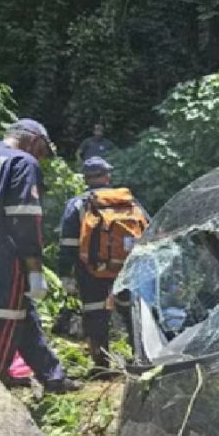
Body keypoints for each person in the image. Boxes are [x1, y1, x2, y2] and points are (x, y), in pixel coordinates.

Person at [0, 118, 81, 393]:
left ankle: (53, 377)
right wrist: (34, 267)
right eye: (43, 152)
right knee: (2, 324)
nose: (41, 158)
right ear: (34, 141)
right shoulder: (21, 162)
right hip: (2, 257)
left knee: (13, 315)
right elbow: (24, 218)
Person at [58, 156, 148, 367]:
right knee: (131, 312)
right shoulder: (128, 201)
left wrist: (65, 274)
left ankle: (101, 364)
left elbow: (68, 243)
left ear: (85, 178)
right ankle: (141, 357)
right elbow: (149, 230)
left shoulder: (78, 204)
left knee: (95, 314)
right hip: (127, 267)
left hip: (91, 268)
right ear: (107, 176)